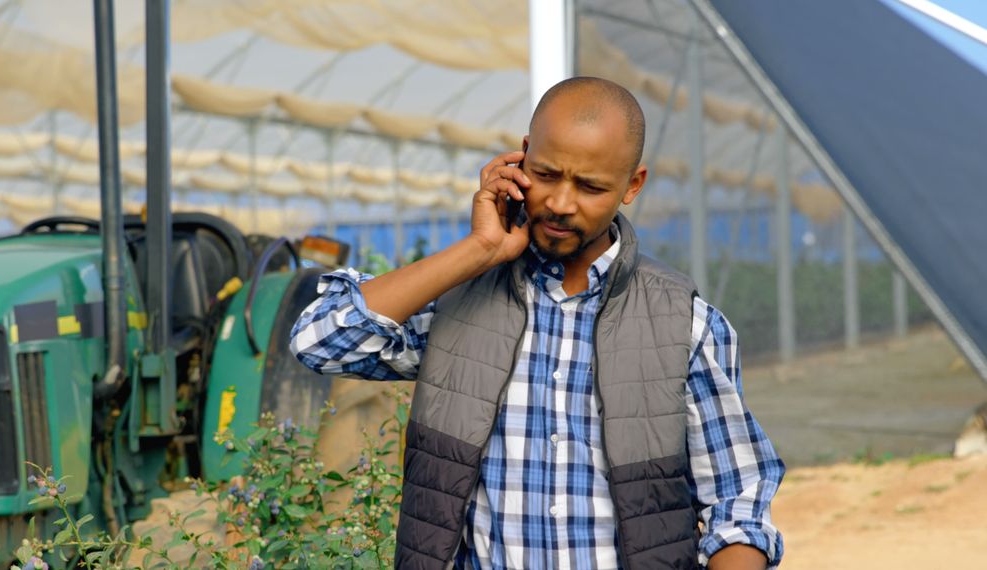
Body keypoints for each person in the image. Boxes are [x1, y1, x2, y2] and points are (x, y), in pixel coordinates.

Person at [290, 77, 784, 569]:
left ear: (633, 185)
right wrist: (479, 249)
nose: (561, 203)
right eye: (546, 174)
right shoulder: (457, 302)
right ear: (521, 158)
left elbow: (737, 506)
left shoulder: (684, 324)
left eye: (590, 187)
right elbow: (321, 340)